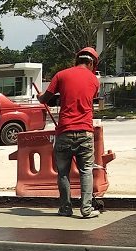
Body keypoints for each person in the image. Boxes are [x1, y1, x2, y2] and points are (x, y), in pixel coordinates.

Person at [38, 47, 101, 219]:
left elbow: (45, 99)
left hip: (64, 131)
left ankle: (65, 208)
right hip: (85, 132)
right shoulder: (95, 81)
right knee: (86, 170)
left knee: (63, 172)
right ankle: (86, 209)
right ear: (91, 62)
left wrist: (39, 97)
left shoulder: (61, 75)